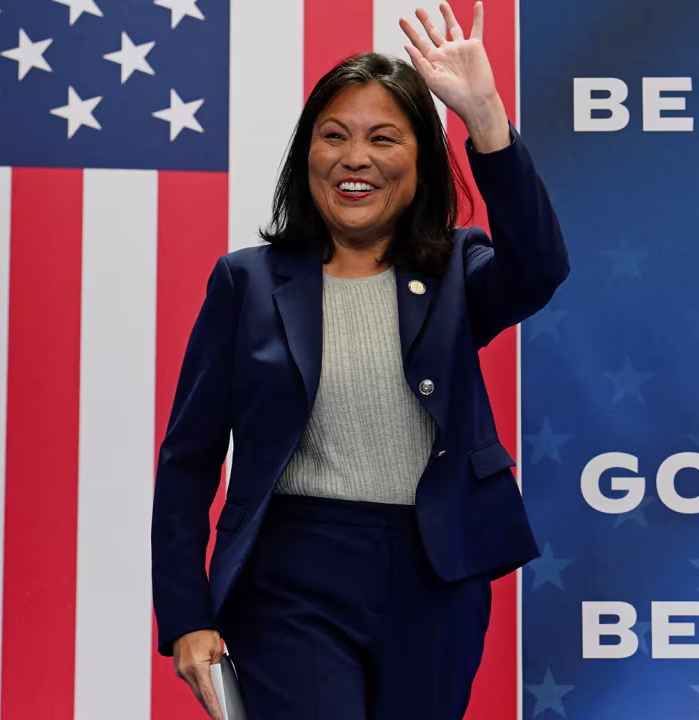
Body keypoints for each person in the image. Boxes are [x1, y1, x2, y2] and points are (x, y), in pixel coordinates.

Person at [149, 3, 569, 718]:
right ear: (306, 154)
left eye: (383, 138)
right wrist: (187, 617)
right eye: (334, 136)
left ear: (420, 159)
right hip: (291, 574)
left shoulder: (460, 271)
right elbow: (188, 460)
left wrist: (485, 118)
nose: (355, 158)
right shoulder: (246, 281)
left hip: (436, 571)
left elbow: (539, 267)